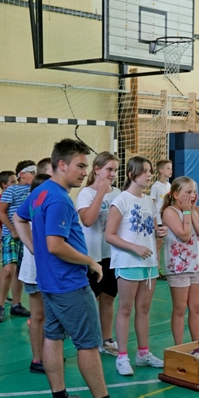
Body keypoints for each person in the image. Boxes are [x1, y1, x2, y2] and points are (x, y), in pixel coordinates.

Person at [15, 138, 139, 398]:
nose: (85, 172)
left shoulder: (40, 191)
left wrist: (33, 248)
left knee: (53, 335)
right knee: (88, 343)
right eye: (80, 166)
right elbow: (55, 245)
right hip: (68, 282)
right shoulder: (59, 199)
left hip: (49, 281)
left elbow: (20, 220)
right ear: (62, 165)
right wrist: (90, 261)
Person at [106, 156, 167, 374]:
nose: (149, 175)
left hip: (149, 263)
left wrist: (160, 232)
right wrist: (135, 248)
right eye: (145, 171)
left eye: (150, 171)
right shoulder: (121, 200)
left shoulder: (150, 201)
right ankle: (122, 356)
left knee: (144, 309)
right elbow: (109, 235)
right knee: (125, 308)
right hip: (128, 262)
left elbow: (152, 230)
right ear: (132, 175)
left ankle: (143, 353)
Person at [76, 152, 121, 355]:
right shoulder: (86, 193)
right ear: (96, 170)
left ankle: (106, 338)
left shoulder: (118, 193)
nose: (112, 174)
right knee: (91, 299)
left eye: (115, 170)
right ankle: (89, 339)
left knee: (109, 297)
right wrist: (101, 193)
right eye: (109, 169)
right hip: (93, 256)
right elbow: (88, 220)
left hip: (113, 254)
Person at [161, 177, 199, 344]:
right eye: (188, 192)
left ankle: (198, 343)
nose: (193, 195)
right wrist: (187, 212)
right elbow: (184, 234)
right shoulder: (170, 212)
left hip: (196, 266)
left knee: (196, 307)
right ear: (176, 195)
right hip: (178, 267)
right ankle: (179, 347)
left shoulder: (197, 211)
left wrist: (192, 211)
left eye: (194, 192)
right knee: (180, 308)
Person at [15, 173, 51, 374]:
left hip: (50, 270)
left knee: (50, 316)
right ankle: (37, 358)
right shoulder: (31, 210)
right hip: (35, 271)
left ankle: (48, 353)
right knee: (38, 315)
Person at [0, 161, 35, 322]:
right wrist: (12, 229)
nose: (35, 175)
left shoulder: (34, 190)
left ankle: (16, 305)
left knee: (20, 271)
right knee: (8, 269)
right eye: (32, 172)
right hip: (11, 235)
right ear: (21, 175)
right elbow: (0, 212)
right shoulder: (11, 190)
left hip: (27, 235)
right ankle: (0, 306)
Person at [0, 170, 17, 303]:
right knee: (8, 266)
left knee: (7, 266)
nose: (16, 184)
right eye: (13, 182)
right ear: (4, 184)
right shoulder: (1, 198)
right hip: (6, 235)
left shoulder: (12, 196)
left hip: (10, 235)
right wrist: (1, 234)